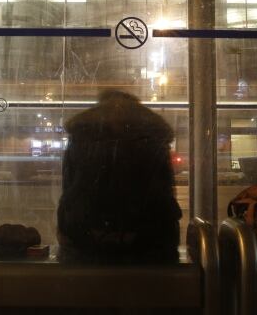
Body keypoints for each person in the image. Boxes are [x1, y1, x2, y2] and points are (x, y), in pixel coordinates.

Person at [57, 90, 182, 264]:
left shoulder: (81, 135)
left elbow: (70, 191)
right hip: (151, 249)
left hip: (84, 248)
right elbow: (163, 194)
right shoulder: (154, 136)